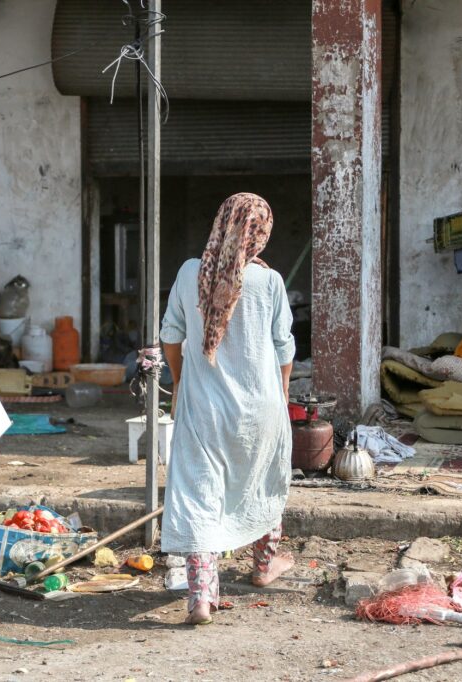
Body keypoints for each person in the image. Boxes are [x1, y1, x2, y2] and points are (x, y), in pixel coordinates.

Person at [159, 192, 296, 625]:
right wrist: (283, 393)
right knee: (262, 480)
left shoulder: (187, 273)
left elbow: (170, 335)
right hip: (261, 407)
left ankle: (201, 598)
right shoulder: (269, 282)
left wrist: (179, 380)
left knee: (200, 492)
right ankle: (263, 567)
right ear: (261, 233)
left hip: (205, 408)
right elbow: (284, 348)